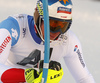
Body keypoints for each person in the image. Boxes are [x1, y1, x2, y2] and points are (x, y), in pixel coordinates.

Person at [0, 0, 95, 83]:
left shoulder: (68, 40)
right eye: (53, 25)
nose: (57, 32)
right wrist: (26, 76)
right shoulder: (13, 28)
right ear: (38, 17)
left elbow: (84, 78)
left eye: (63, 26)